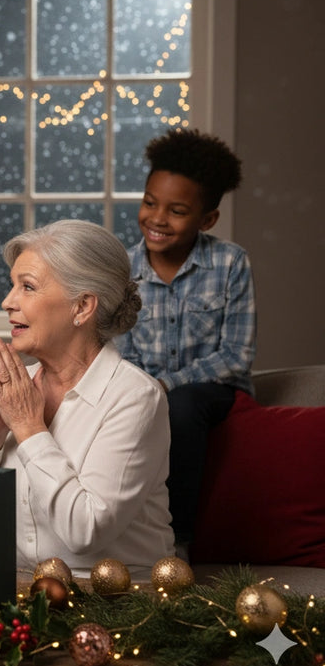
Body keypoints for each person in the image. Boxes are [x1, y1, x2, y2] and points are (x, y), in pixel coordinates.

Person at [0, 219, 174, 574]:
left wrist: (28, 427)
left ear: (82, 307)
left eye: (27, 287)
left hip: (117, 605)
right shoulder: (19, 386)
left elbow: (85, 531)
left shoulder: (136, 398)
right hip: (23, 600)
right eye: (12, 286)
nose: (7, 302)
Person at [114, 128, 254, 549]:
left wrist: (166, 385)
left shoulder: (229, 262)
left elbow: (237, 355)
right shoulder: (124, 268)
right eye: (150, 203)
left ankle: (178, 544)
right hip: (145, 390)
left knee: (181, 405)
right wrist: (145, 389)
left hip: (212, 393)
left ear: (206, 219)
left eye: (176, 210)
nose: (157, 218)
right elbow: (124, 352)